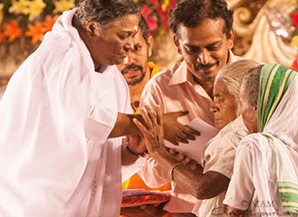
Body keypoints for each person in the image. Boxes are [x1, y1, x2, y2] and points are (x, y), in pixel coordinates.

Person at [0, 0, 198, 216]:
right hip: (32, 203)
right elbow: (83, 120)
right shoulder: (61, 56)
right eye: (122, 36)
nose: (129, 45)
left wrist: (134, 149)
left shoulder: (112, 76)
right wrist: (150, 124)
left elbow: (107, 155)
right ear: (93, 28)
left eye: (133, 36)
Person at [138, 0, 240, 215]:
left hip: (248, 206)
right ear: (177, 42)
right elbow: (147, 173)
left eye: (213, 47)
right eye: (191, 49)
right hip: (187, 211)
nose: (203, 59)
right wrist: (174, 166)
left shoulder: (256, 79)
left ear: (229, 38)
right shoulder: (159, 89)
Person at [133, 59, 259, 217]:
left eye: (221, 99)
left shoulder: (237, 134)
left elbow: (203, 189)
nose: (213, 107)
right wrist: (199, 171)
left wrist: (158, 151)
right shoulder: (248, 130)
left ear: (243, 99)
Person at [223, 63, 298, 216]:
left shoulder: (254, 146)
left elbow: (235, 210)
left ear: (257, 108)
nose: (240, 113)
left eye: (241, 102)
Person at [117, 16, 171, 217]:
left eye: (136, 49)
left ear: (149, 44)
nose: (129, 61)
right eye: (120, 53)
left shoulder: (177, 92)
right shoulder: (98, 103)